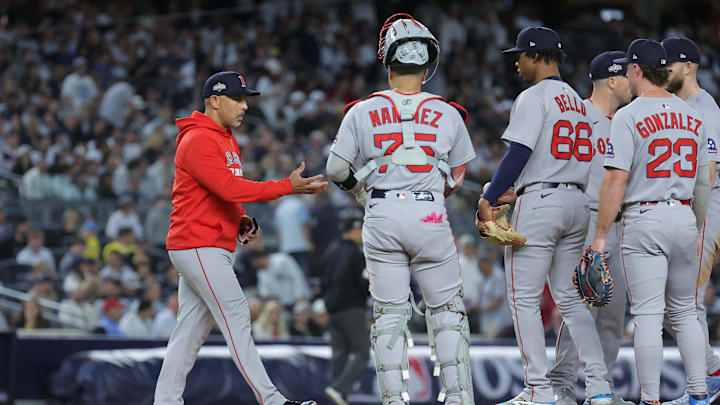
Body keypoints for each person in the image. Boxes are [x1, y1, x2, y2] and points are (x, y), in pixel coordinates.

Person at [326, 13, 476, 405]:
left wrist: (360, 191)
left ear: (387, 63)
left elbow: (334, 170)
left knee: (390, 316)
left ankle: (394, 400)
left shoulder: (360, 111)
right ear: (427, 66)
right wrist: (433, 189)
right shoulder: (448, 111)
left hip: (382, 213)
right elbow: (458, 173)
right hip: (428, 213)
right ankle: (458, 398)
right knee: (446, 313)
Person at [153, 71, 326, 405]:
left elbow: (222, 195)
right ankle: (272, 400)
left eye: (245, 98)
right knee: (237, 314)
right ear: (214, 101)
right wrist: (286, 186)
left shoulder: (226, 137)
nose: (244, 105)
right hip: (197, 243)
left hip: (208, 243)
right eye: (237, 98)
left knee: (188, 335)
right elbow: (228, 187)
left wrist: (239, 219)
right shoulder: (198, 139)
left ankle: (165, 402)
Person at [476, 27, 611, 405]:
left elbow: (518, 152)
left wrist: (489, 195)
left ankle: (537, 390)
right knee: (570, 299)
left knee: (523, 299)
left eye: (520, 55)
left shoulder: (533, 96)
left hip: (541, 202)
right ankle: (599, 387)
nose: (516, 62)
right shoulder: (580, 103)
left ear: (537, 56)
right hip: (576, 203)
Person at [588, 38, 710, 405]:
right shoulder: (692, 114)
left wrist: (599, 238)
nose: (626, 72)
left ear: (638, 70)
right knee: (686, 312)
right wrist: (695, 224)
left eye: (628, 67)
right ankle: (699, 394)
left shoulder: (628, 115)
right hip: (685, 214)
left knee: (647, 315)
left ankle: (652, 399)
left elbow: (615, 180)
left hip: (645, 216)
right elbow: (705, 181)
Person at [548, 51, 634, 405]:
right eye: (630, 75)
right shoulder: (577, 115)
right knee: (582, 308)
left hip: (622, 224)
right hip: (586, 221)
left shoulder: (630, 120)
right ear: (612, 80)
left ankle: (604, 390)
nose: (636, 81)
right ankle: (562, 383)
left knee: (613, 315)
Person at [660, 36, 720, 405]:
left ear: (689, 66)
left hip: (705, 204)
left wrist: (694, 223)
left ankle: (702, 386)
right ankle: (711, 372)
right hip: (684, 206)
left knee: (687, 301)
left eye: (669, 64)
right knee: (671, 305)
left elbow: (708, 171)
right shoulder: (671, 105)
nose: (662, 70)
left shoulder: (703, 106)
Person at [320, 210, 370, 405]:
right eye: (360, 229)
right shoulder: (355, 253)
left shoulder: (331, 251)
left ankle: (338, 396)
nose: (362, 233)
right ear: (353, 230)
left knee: (340, 352)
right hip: (351, 308)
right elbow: (362, 283)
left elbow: (323, 283)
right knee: (362, 352)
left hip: (332, 310)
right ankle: (339, 389)